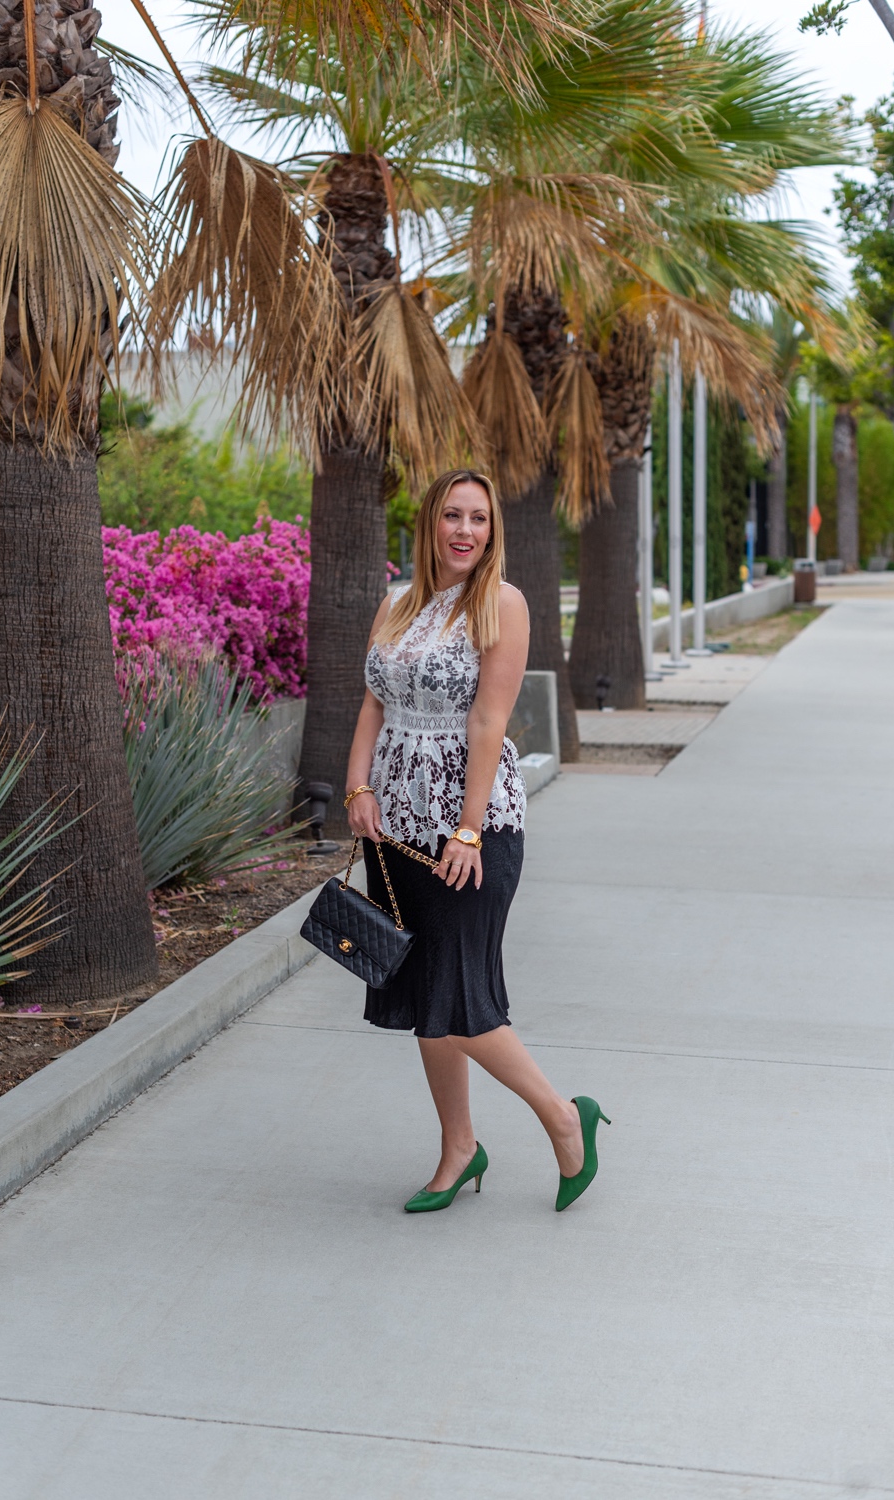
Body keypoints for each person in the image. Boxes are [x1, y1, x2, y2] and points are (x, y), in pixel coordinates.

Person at [344, 468, 609, 1214]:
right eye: (453, 515)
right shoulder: (397, 601)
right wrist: (358, 789)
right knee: (425, 993)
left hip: (471, 827)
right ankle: (459, 1147)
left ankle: (565, 1118)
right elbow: (373, 703)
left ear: (492, 532)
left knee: (462, 994)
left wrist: (467, 829)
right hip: (393, 827)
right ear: (430, 521)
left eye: (479, 519)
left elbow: (488, 721)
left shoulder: (501, 603)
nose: (465, 530)